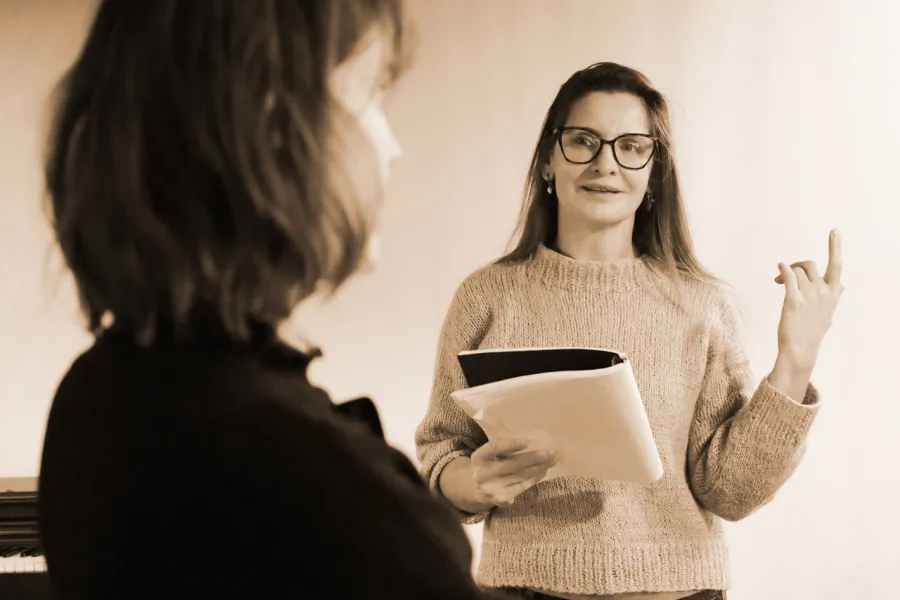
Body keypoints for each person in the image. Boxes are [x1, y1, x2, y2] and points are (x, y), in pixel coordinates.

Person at [36, 1, 515, 598]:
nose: (391, 147)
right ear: (267, 128)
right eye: (370, 97)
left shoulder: (96, 392)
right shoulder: (316, 489)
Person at [415, 62, 844, 600]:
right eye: (583, 140)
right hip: (522, 590)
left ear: (653, 172)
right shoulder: (488, 296)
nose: (605, 163)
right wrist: (472, 483)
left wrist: (796, 361)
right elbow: (442, 452)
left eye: (631, 146)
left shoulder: (700, 304)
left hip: (679, 592)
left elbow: (729, 493)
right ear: (549, 159)